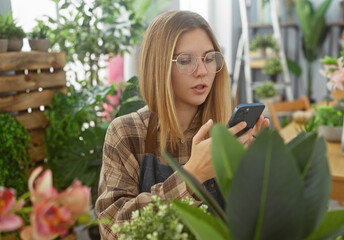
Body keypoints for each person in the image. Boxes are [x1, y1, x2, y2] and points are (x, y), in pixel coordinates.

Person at [95, 10, 269, 239]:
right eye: (186, 60)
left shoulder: (225, 132)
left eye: (208, 58)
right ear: (158, 67)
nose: (202, 71)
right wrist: (191, 177)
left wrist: (255, 170)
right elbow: (113, 229)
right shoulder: (127, 132)